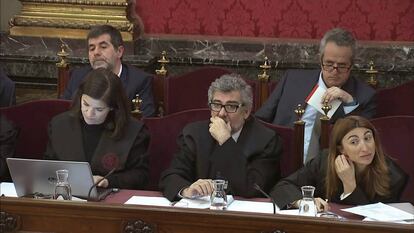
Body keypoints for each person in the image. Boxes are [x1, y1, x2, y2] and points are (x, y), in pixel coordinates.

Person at [255, 28, 376, 162]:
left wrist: (349, 102)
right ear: (320, 60)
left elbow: (362, 145)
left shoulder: (365, 97)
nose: (334, 71)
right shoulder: (292, 80)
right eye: (329, 64)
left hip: (328, 170)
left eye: (342, 66)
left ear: (351, 65)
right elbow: (261, 120)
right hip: (280, 161)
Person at [159, 73, 282, 201]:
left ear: (246, 112)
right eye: (217, 105)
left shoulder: (267, 140)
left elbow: (253, 188)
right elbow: (170, 177)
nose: (222, 113)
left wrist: (226, 140)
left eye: (231, 106)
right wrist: (187, 190)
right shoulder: (194, 134)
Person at [270, 115, 407, 211]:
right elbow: (283, 186)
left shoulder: (393, 175)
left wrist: (350, 185)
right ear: (341, 148)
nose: (365, 148)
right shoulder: (324, 161)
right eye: (354, 142)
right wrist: (303, 202)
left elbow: (376, 219)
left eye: (368, 138)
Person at [45, 68, 149, 189]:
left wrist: (109, 181)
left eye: (99, 109)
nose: (89, 113)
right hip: (68, 197)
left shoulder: (133, 131)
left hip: (112, 198)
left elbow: (141, 176)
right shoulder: (60, 124)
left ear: (112, 107)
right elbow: (48, 167)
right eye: (86, 104)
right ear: (80, 97)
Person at [62, 24, 155, 117]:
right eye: (92, 48)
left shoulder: (139, 81)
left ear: (119, 51)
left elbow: (145, 121)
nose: (96, 53)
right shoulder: (78, 77)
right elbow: (64, 115)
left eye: (103, 47)